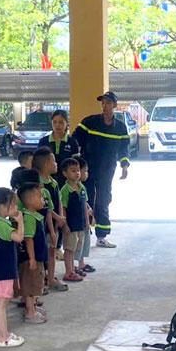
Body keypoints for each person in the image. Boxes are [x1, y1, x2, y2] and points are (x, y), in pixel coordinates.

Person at [72, 91, 130, 248]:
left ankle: (102, 236)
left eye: (108, 103)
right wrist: (76, 163)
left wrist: (124, 166)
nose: (104, 106)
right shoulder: (89, 122)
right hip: (87, 170)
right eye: (103, 103)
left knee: (103, 200)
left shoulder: (120, 128)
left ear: (115, 105)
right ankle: (83, 234)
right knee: (86, 199)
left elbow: (124, 149)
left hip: (107, 170)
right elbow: (75, 140)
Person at [0, 187, 25, 348]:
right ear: (2, 206)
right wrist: (20, 222)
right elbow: (19, 237)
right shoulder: (1, 223)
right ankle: (4, 337)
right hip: (3, 271)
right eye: (13, 204)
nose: (16, 208)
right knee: (1, 304)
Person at [32, 148, 67, 292]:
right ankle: (40, 282)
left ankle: (51, 278)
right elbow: (45, 208)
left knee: (52, 251)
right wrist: (57, 217)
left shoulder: (53, 182)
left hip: (54, 224)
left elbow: (58, 201)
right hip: (42, 225)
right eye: (54, 161)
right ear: (46, 163)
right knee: (41, 254)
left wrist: (60, 217)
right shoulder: (38, 184)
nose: (56, 164)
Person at [60, 157, 96, 283]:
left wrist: (87, 222)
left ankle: (73, 269)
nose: (77, 173)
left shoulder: (82, 188)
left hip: (80, 224)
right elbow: (63, 208)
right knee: (69, 249)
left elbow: (84, 206)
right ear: (65, 173)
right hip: (71, 225)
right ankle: (68, 272)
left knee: (77, 247)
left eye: (78, 170)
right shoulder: (65, 190)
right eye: (73, 171)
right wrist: (65, 225)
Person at [17, 182, 48, 324]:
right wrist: (32, 258)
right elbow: (28, 239)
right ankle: (30, 312)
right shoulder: (29, 217)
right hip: (32, 258)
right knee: (30, 285)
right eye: (40, 196)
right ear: (29, 200)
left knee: (36, 284)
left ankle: (33, 307)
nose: (43, 199)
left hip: (38, 257)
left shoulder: (35, 216)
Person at [39, 110, 80, 186]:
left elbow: (76, 164)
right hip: (47, 181)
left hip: (67, 182)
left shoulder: (72, 142)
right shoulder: (43, 141)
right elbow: (38, 164)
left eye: (61, 122)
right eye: (54, 122)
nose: (57, 125)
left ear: (67, 123)